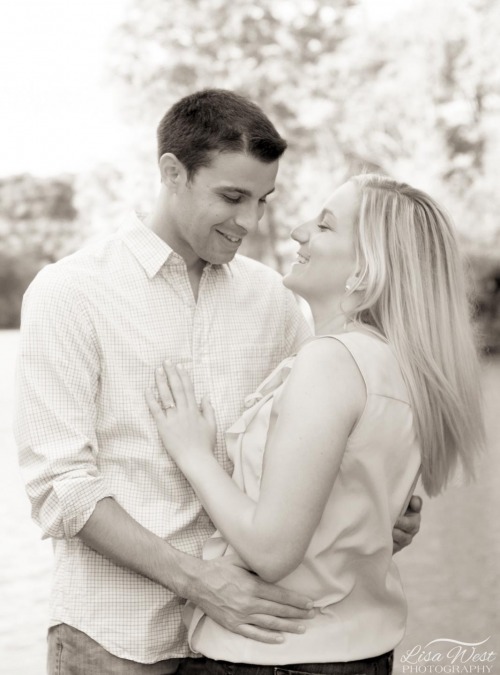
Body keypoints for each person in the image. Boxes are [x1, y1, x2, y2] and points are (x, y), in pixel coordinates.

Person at [14, 90, 421, 674]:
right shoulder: (69, 293)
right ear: (173, 173)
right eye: (232, 197)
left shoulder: (276, 300)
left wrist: (378, 504)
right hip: (115, 642)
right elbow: (61, 487)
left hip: (249, 650)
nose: (251, 222)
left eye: (263, 199)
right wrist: (200, 581)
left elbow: (308, 448)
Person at [148, 174, 484, 674]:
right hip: (356, 652)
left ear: (365, 267)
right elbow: (360, 517)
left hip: (276, 658)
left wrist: (193, 451)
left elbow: (272, 550)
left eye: (324, 227)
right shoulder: (403, 365)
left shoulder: (332, 362)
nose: (298, 232)